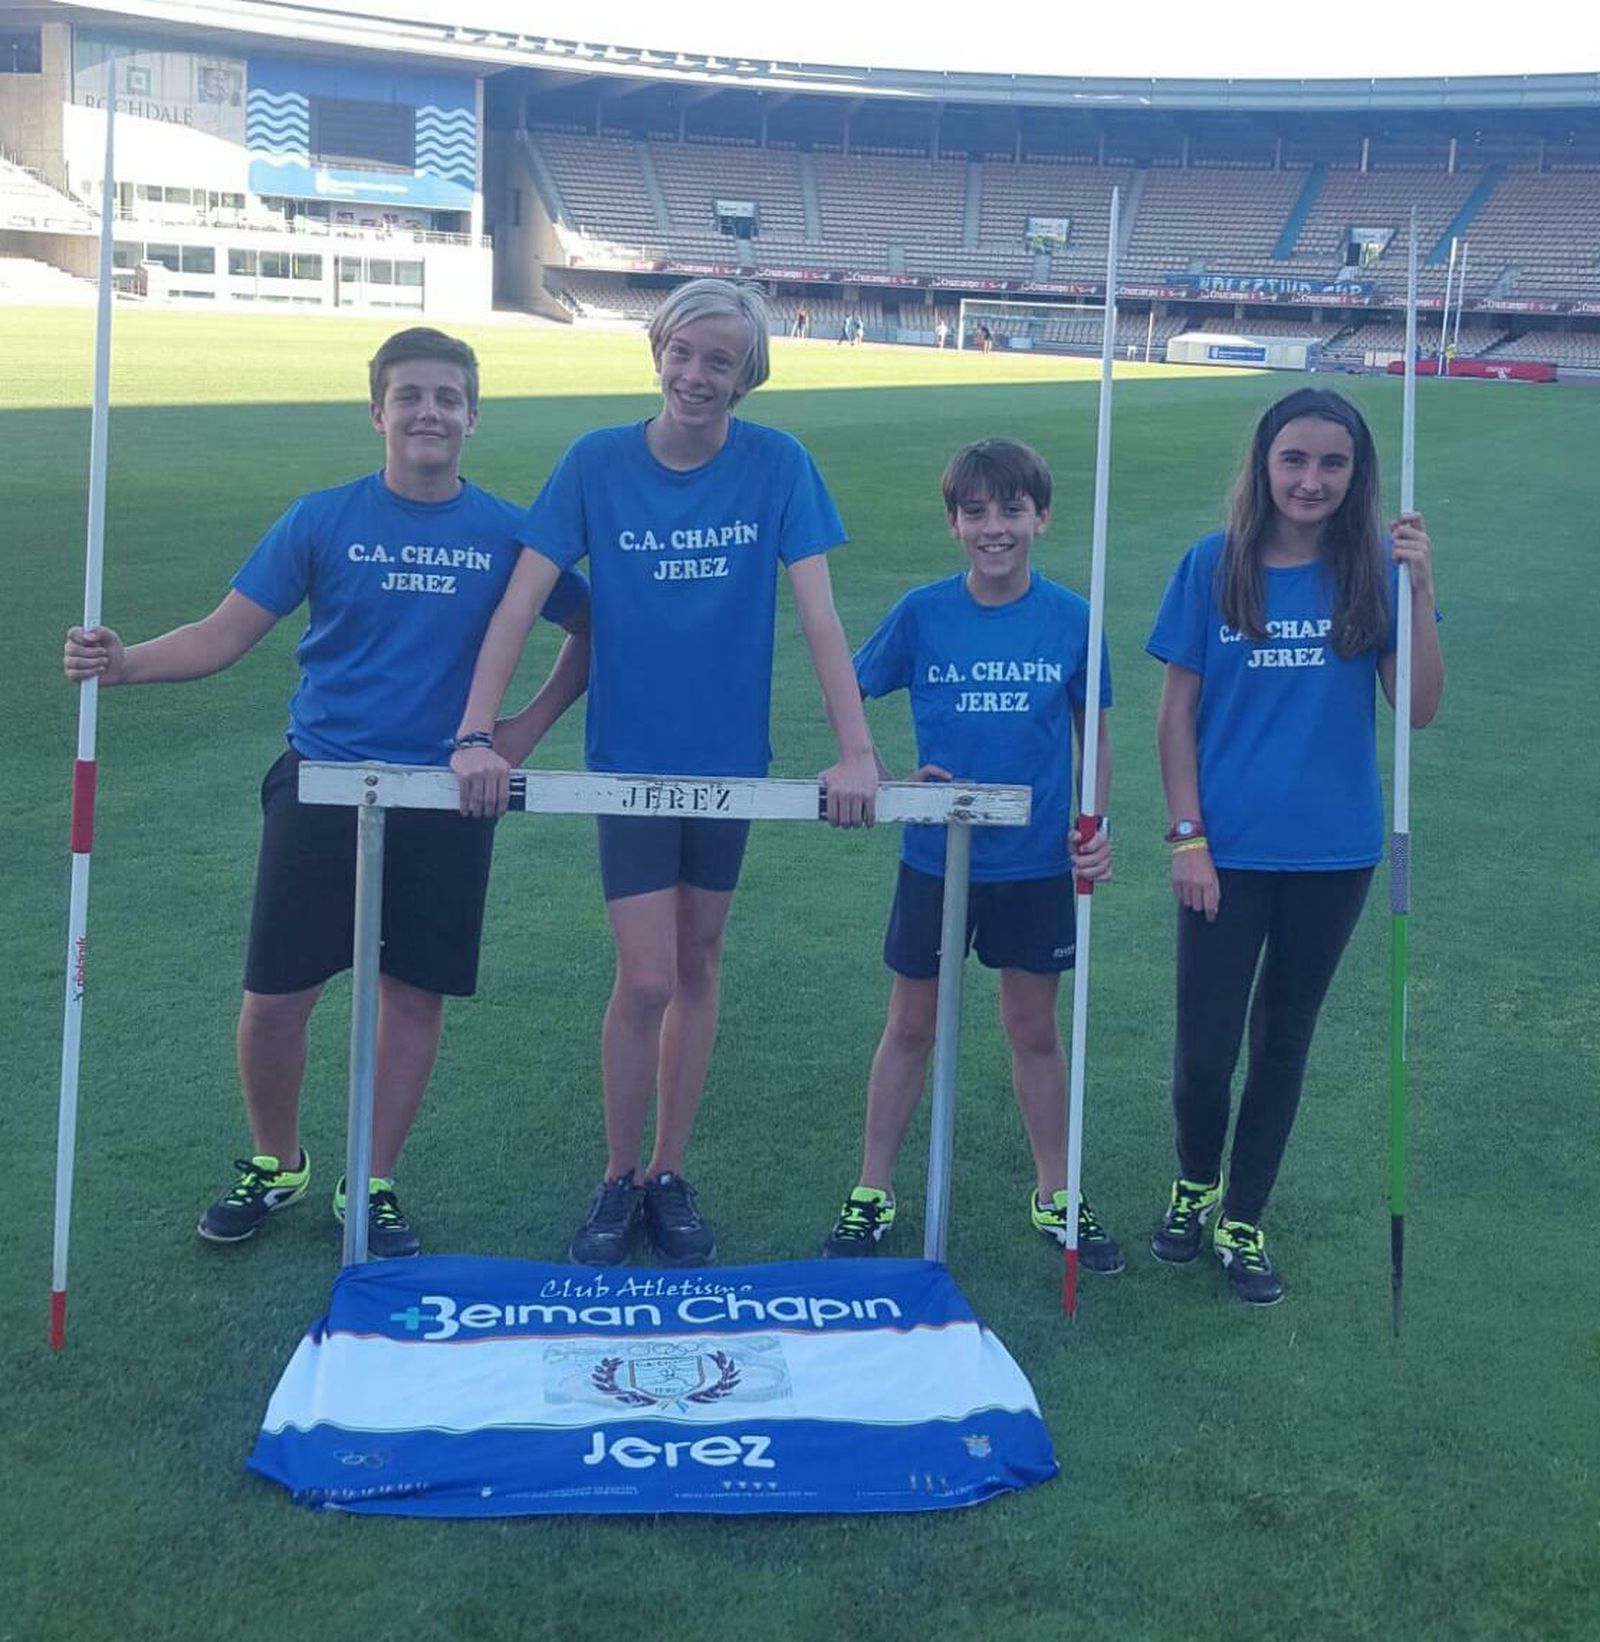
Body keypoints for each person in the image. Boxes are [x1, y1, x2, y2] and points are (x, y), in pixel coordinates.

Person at [62, 328, 591, 1258]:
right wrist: (125, 664)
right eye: (410, 395)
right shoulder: (322, 517)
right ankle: (277, 1162)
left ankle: (372, 1179)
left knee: (413, 996)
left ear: (473, 413)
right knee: (274, 1000)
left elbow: (594, 629)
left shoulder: (513, 533)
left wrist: (518, 733)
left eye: (447, 396)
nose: (429, 412)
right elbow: (224, 633)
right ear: (377, 410)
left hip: (445, 796)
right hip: (323, 781)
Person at [449, 279, 878, 1268]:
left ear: (747, 375)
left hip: (728, 759)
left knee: (698, 962)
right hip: (630, 758)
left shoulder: (779, 464)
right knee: (645, 974)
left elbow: (819, 617)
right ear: (657, 351)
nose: (696, 375)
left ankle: (668, 1172)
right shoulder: (595, 462)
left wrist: (856, 748)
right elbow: (520, 606)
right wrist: (479, 731)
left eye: (719, 361)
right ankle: (616, 1174)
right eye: (683, 352)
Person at [1145, 387, 1443, 1305]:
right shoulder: (1213, 565)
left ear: (1357, 477)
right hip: (1225, 851)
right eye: (1294, 460)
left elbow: (1418, 710)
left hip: (1334, 855)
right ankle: (1195, 1181)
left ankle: (1244, 1216)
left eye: (1332, 464)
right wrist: (1187, 838)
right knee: (1205, 1051)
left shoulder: (1373, 573)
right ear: (1264, 464)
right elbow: (1175, 717)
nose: (1311, 480)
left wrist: (1420, 589)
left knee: (1283, 1041)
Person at [819, 438, 1122, 1271]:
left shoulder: (1071, 618)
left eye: (1012, 511)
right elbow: (850, 687)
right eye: (977, 513)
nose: (996, 529)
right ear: (954, 523)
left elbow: (1093, 736)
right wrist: (880, 778)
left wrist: (1095, 826)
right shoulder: (923, 613)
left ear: (1042, 517)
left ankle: (1057, 1190)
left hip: (1033, 867)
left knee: (1032, 1027)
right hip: (936, 862)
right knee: (911, 1025)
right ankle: (871, 1190)